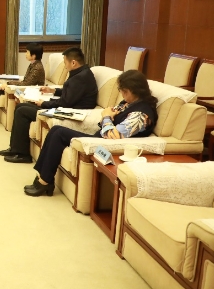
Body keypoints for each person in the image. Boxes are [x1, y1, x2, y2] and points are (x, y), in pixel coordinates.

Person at [24, 70, 158, 196]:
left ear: (136, 90)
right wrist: (107, 116)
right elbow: (108, 117)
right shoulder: (129, 103)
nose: (122, 94)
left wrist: (106, 116)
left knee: (59, 134)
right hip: (99, 137)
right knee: (56, 129)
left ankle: (45, 182)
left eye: (124, 91)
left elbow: (113, 135)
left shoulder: (140, 115)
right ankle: (43, 178)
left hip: (104, 145)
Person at [0, 47, 97, 163]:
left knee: (22, 111)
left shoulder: (81, 78)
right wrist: (53, 90)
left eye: (65, 62)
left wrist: (44, 103)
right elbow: (70, 92)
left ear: (73, 63)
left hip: (69, 111)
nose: (65, 66)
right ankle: (14, 148)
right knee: (20, 107)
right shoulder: (80, 73)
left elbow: (66, 102)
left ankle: (22, 154)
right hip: (66, 106)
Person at [0, 42, 46, 124]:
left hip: (28, 93)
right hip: (25, 89)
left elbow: (26, 83)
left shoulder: (37, 68)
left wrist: (8, 83)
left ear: (33, 56)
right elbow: (26, 81)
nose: (25, 54)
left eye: (27, 52)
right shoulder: (33, 64)